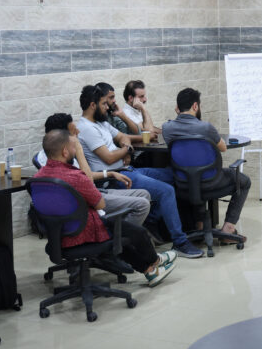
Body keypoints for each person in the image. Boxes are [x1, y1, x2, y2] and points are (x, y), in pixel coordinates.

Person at [74, 85, 204, 258]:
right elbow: (109, 158)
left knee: (176, 175)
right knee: (166, 191)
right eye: (104, 103)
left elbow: (123, 137)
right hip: (115, 178)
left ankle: (151, 220)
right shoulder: (87, 128)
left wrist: (125, 148)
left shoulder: (101, 123)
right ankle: (179, 242)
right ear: (92, 105)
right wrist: (126, 150)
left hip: (128, 169)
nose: (107, 107)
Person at [33, 130, 176, 286]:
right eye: (74, 147)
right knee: (135, 232)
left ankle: (150, 270)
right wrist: (80, 152)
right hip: (83, 233)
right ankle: (155, 260)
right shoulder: (75, 177)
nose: (75, 150)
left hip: (58, 235)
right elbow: (100, 204)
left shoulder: (37, 178)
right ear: (65, 151)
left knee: (122, 230)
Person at [38, 113, 153, 230]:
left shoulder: (61, 156)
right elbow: (86, 182)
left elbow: (82, 176)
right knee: (142, 204)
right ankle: (119, 235)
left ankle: (126, 232)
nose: (78, 132)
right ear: (61, 137)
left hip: (93, 191)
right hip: (86, 201)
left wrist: (109, 173)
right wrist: (78, 149)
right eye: (73, 132)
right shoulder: (57, 160)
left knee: (144, 194)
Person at [162, 88, 250, 239]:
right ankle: (228, 229)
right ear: (195, 106)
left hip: (183, 183)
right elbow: (223, 148)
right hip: (211, 183)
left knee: (194, 170)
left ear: (177, 108)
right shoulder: (206, 128)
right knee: (244, 181)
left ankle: (200, 226)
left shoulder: (167, 128)